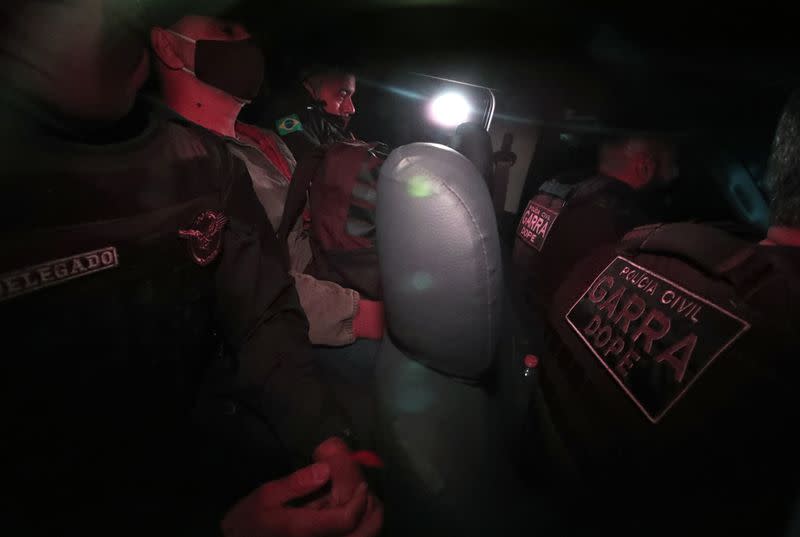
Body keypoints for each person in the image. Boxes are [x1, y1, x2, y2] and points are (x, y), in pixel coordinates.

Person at [0, 1, 381, 535]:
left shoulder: (210, 161)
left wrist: (325, 440)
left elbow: (260, 307)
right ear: (166, 46)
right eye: (226, 27)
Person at [527, 94, 800, 537]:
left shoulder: (608, 256)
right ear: (645, 167)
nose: (676, 176)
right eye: (673, 164)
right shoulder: (611, 220)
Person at [150, 15, 385, 347]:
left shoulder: (265, 142)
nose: (248, 47)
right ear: (168, 47)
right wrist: (367, 315)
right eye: (227, 30)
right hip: (287, 330)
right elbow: (239, 286)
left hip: (330, 283)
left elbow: (306, 232)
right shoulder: (168, 159)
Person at [512, 136, 679, 313]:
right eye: (669, 169)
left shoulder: (553, 187)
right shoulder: (623, 221)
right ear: (645, 167)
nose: (674, 175)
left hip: (516, 305)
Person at [268, 66, 361, 163]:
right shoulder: (285, 118)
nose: (352, 109)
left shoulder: (333, 128)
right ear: (310, 88)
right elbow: (319, 162)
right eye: (342, 95)